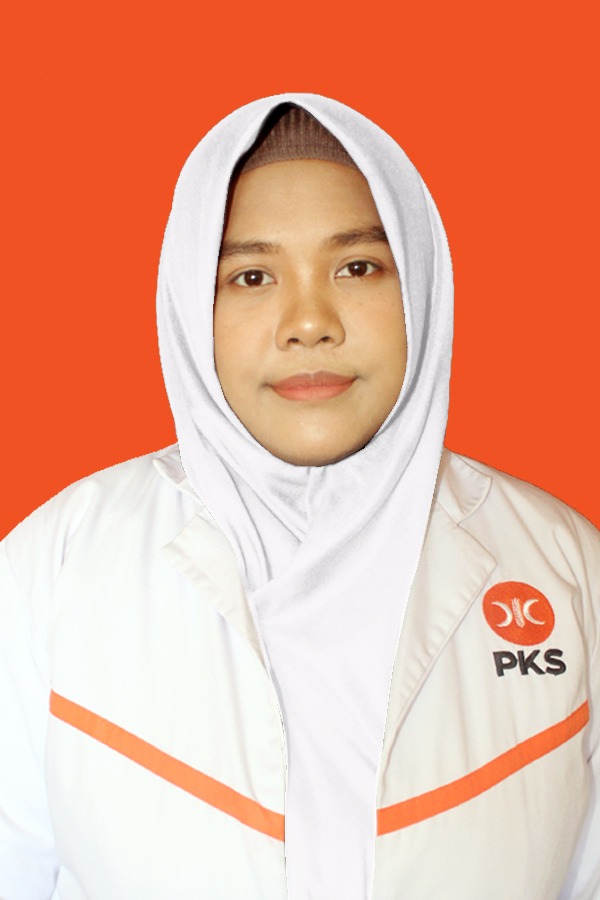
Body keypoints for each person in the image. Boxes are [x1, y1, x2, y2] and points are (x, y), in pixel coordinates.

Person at [0, 95, 598, 900]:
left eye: (357, 267)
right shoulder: (55, 567)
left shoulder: (567, 569)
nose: (309, 323)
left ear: (420, 285)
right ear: (192, 306)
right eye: (251, 276)